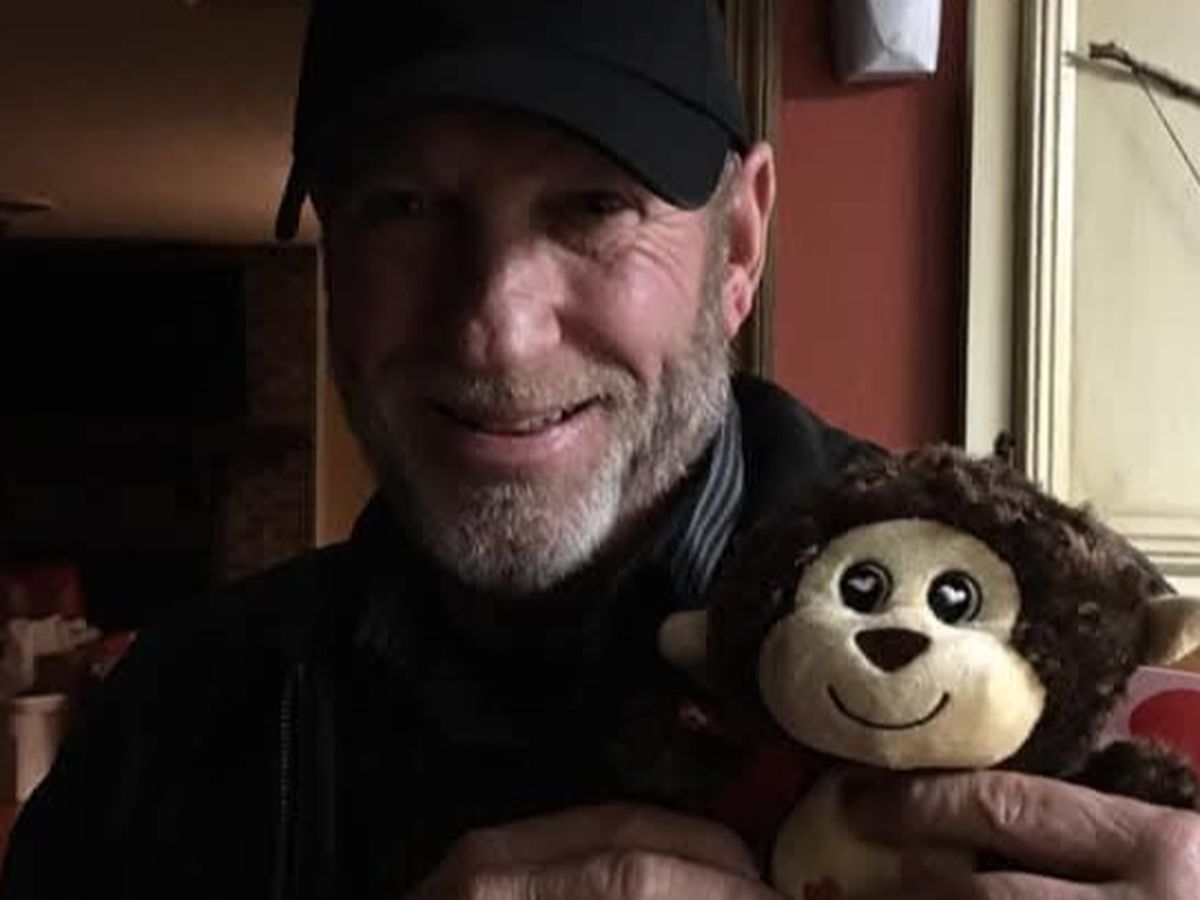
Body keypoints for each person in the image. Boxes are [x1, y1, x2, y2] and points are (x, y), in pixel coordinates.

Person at [3, 1, 1198, 898]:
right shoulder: (168, 728)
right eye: (405, 208)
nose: (496, 327)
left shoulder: (1073, 669)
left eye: (591, 206)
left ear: (739, 244)